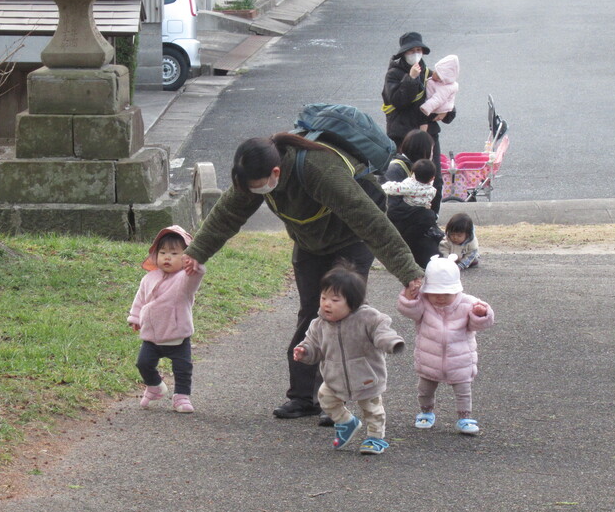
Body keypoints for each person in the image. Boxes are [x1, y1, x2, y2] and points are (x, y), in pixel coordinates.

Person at [181, 133, 423, 425]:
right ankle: (302, 397)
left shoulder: (318, 170)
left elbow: (370, 220)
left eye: (260, 187)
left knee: (344, 314)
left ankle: (338, 401)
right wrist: (197, 252)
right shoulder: (254, 173)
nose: (257, 193)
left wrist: (408, 272)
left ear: (276, 172)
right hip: (309, 244)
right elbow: (227, 214)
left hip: (351, 239)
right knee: (312, 313)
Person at [293, 263, 405, 455]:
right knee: (325, 398)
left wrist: (391, 342)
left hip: (365, 375)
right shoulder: (318, 325)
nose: (327, 303)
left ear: (352, 303)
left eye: (335, 299)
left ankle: (375, 438)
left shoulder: (367, 318)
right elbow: (313, 346)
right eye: (323, 297)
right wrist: (305, 351)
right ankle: (347, 422)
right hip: (334, 377)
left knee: (372, 410)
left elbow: (382, 331)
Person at [397, 254, 494, 436]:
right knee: (424, 389)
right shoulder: (424, 304)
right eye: (434, 294)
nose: (439, 298)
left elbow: (479, 324)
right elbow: (409, 310)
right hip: (429, 358)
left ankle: (464, 417)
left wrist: (480, 314)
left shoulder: (468, 303)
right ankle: (426, 412)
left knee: (463, 391)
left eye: (446, 294)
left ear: (456, 290)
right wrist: (409, 296)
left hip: (460, 360)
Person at [128, 225, 205, 414]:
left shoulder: (184, 279)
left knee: (182, 368)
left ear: (185, 257)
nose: (167, 257)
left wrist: (197, 263)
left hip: (177, 335)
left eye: (174, 253)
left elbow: (196, 275)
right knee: (143, 363)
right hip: (152, 335)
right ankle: (154, 386)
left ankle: (181, 396)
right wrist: (135, 317)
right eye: (162, 252)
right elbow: (140, 298)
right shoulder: (149, 278)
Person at [381, 31, 456, 213]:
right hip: (403, 136)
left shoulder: (429, 74)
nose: (416, 54)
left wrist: (446, 114)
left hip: (428, 135)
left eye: (418, 50)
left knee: (435, 178)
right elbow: (398, 101)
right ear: (403, 53)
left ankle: (432, 218)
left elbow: (446, 99)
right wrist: (411, 79)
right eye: (411, 50)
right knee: (403, 178)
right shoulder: (394, 74)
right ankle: (404, 218)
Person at [383, 159, 445, 270]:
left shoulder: (409, 186)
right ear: (432, 178)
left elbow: (392, 188)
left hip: (406, 214)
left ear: (413, 173)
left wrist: (385, 185)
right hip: (421, 215)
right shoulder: (432, 190)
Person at [420, 54, 460, 119]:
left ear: (441, 78)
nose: (433, 73)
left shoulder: (444, 87)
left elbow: (438, 99)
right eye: (435, 70)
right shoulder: (440, 81)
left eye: (437, 74)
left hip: (435, 109)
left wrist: (426, 108)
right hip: (436, 108)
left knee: (424, 122)